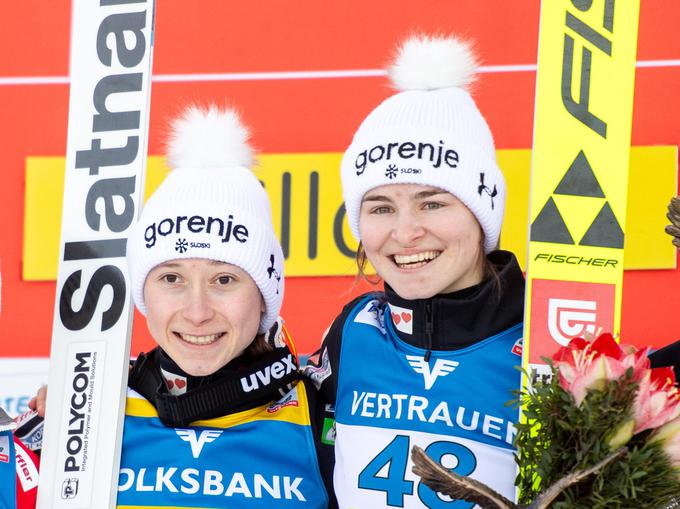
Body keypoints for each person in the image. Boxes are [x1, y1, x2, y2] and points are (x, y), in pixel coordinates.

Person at [8, 105, 334, 508]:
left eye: (224, 280)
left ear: (265, 294)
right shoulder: (85, 412)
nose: (197, 312)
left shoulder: (320, 418)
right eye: (171, 279)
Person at [303, 34, 525, 508]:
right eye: (381, 208)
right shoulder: (352, 330)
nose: (405, 233)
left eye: (432, 202)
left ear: (482, 212)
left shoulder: (546, 344)